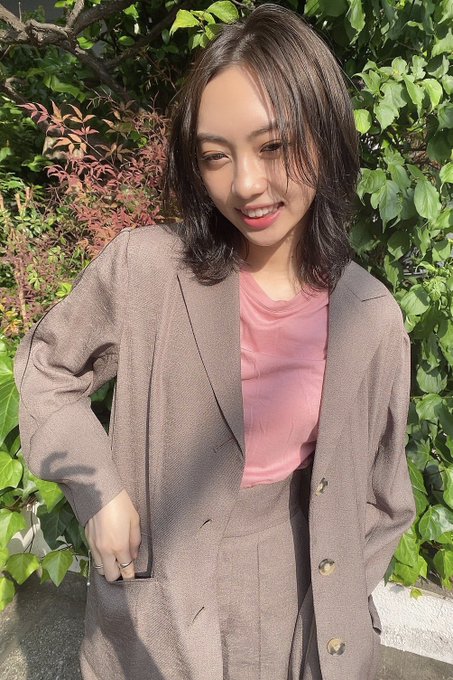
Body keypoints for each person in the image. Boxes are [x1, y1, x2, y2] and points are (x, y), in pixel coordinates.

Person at [14, 4, 416, 680]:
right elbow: (46, 369)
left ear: (324, 135)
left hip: (300, 604)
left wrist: (339, 594)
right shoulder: (147, 270)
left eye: (273, 146)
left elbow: (384, 497)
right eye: (215, 157)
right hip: (161, 599)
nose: (246, 184)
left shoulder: (370, 319)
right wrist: (99, 489)